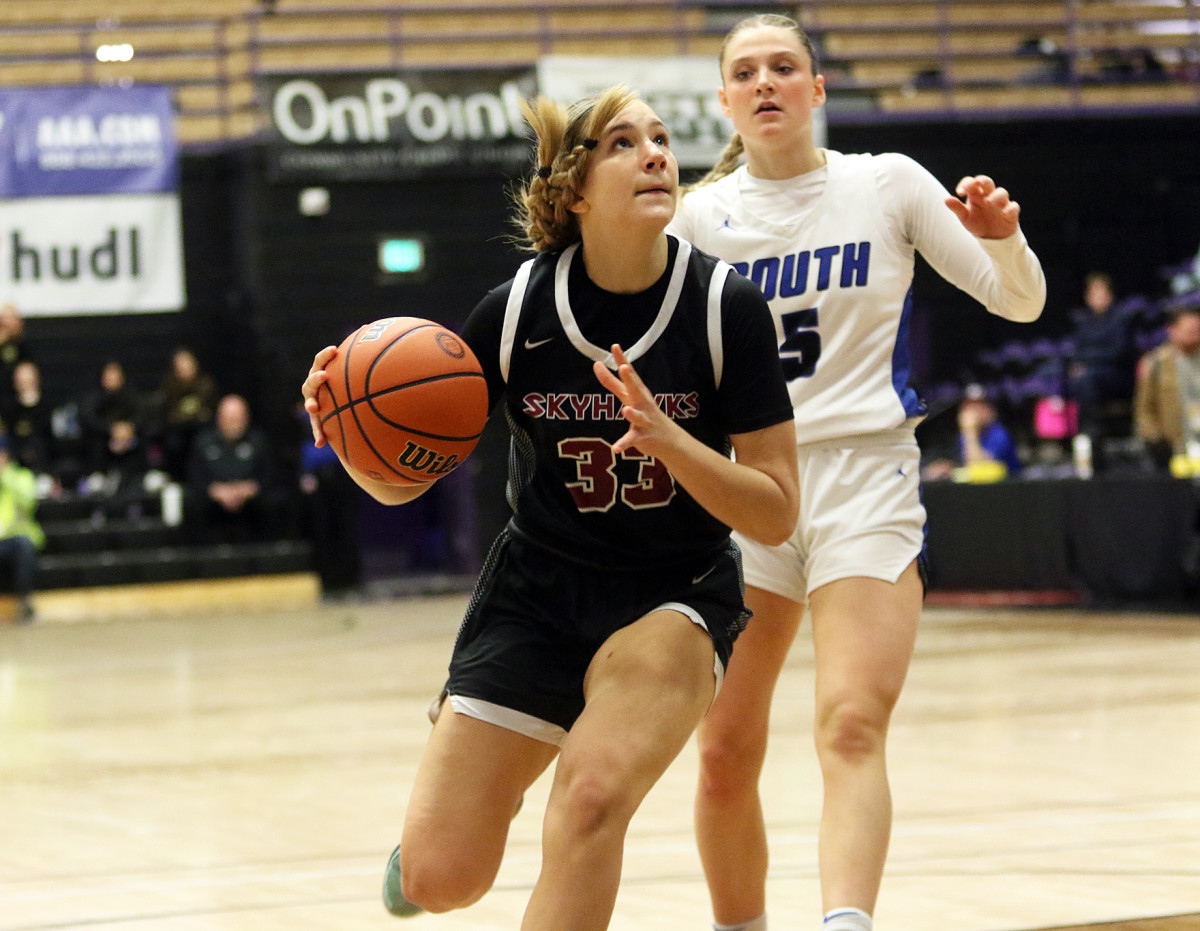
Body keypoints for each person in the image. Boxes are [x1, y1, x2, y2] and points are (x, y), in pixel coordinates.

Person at [301, 86, 800, 929]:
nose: (655, 155)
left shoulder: (725, 309)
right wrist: (346, 435)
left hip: (672, 592)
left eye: (663, 139)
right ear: (572, 188)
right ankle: (419, 858)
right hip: (536, 588)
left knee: (591, 799)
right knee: (442, 876)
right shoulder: (516, 311)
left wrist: (674, 442)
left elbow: (777, 510)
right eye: (622, 144)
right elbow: (405, 479)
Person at [666, 15, 1046, 931]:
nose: (766, 84)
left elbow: (1021, 301)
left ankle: (847, 922)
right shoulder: (693, 222)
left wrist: (1003, 239)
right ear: (724, 101)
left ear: (817, 88)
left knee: (848, 722)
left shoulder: (886, 185)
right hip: (749, 486)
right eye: (746, 72)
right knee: (721, 750)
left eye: (784, 68)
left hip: (864, 478)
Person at [185, 393, 285, 544]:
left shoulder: (258, 441)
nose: (235, 423)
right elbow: (195, 475)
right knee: (190, 502)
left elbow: (270, 474)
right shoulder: (204, 442)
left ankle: (271, 553)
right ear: (220, 418)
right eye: (230, 418)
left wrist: (251, 488)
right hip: (214, 500)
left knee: (276, 500)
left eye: (238, 418)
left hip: (250, 500)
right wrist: (214, 490)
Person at [1067, 271, 1137, 442]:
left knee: (1086, 379)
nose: (1097, 297)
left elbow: (1119, 352)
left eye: (1101, 292)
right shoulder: (1083, 321)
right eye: (1093, 293)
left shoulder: (1121, 319)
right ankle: (1068, 436)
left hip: (1117, 374)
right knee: (1074, 379)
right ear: (1087, 297)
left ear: (1110, 294)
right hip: (1090, 374)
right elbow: (1077, 352)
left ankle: (1089, 430)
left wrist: (1087, 362)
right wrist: (1078, 365)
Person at [1133, 303, 1200, 465]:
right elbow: (1144, 411)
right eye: (1189, 330)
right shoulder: (1155, 363)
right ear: (1172, 330)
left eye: (1197, 329)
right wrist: (1157, 443)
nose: (1195, 334)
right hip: (1174, 446)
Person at [922, 385, 1023, 481]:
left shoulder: (999, 434)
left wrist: (970, 432)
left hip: (1007, 490)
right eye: (968, 406)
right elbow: (968, 466)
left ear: (990, 410)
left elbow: (980, 466)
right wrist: (949, 468)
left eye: (978, 406)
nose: (972, 412)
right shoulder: (963, 436)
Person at [0, 435, 45, 623]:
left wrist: (5, 476)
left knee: (24, 546)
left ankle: (25, 602)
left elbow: (28, 503)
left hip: (14, 538)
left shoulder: (20, 476)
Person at [155, 347, 218, 481]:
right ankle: (177, 480)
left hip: (201, 430)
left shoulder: (205, 384)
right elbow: (170, 415)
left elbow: (208, 412)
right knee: (173, 442)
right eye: (180, 366)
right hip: (178, 432)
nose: (185, 369)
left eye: (188, 365)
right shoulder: (169, 386)